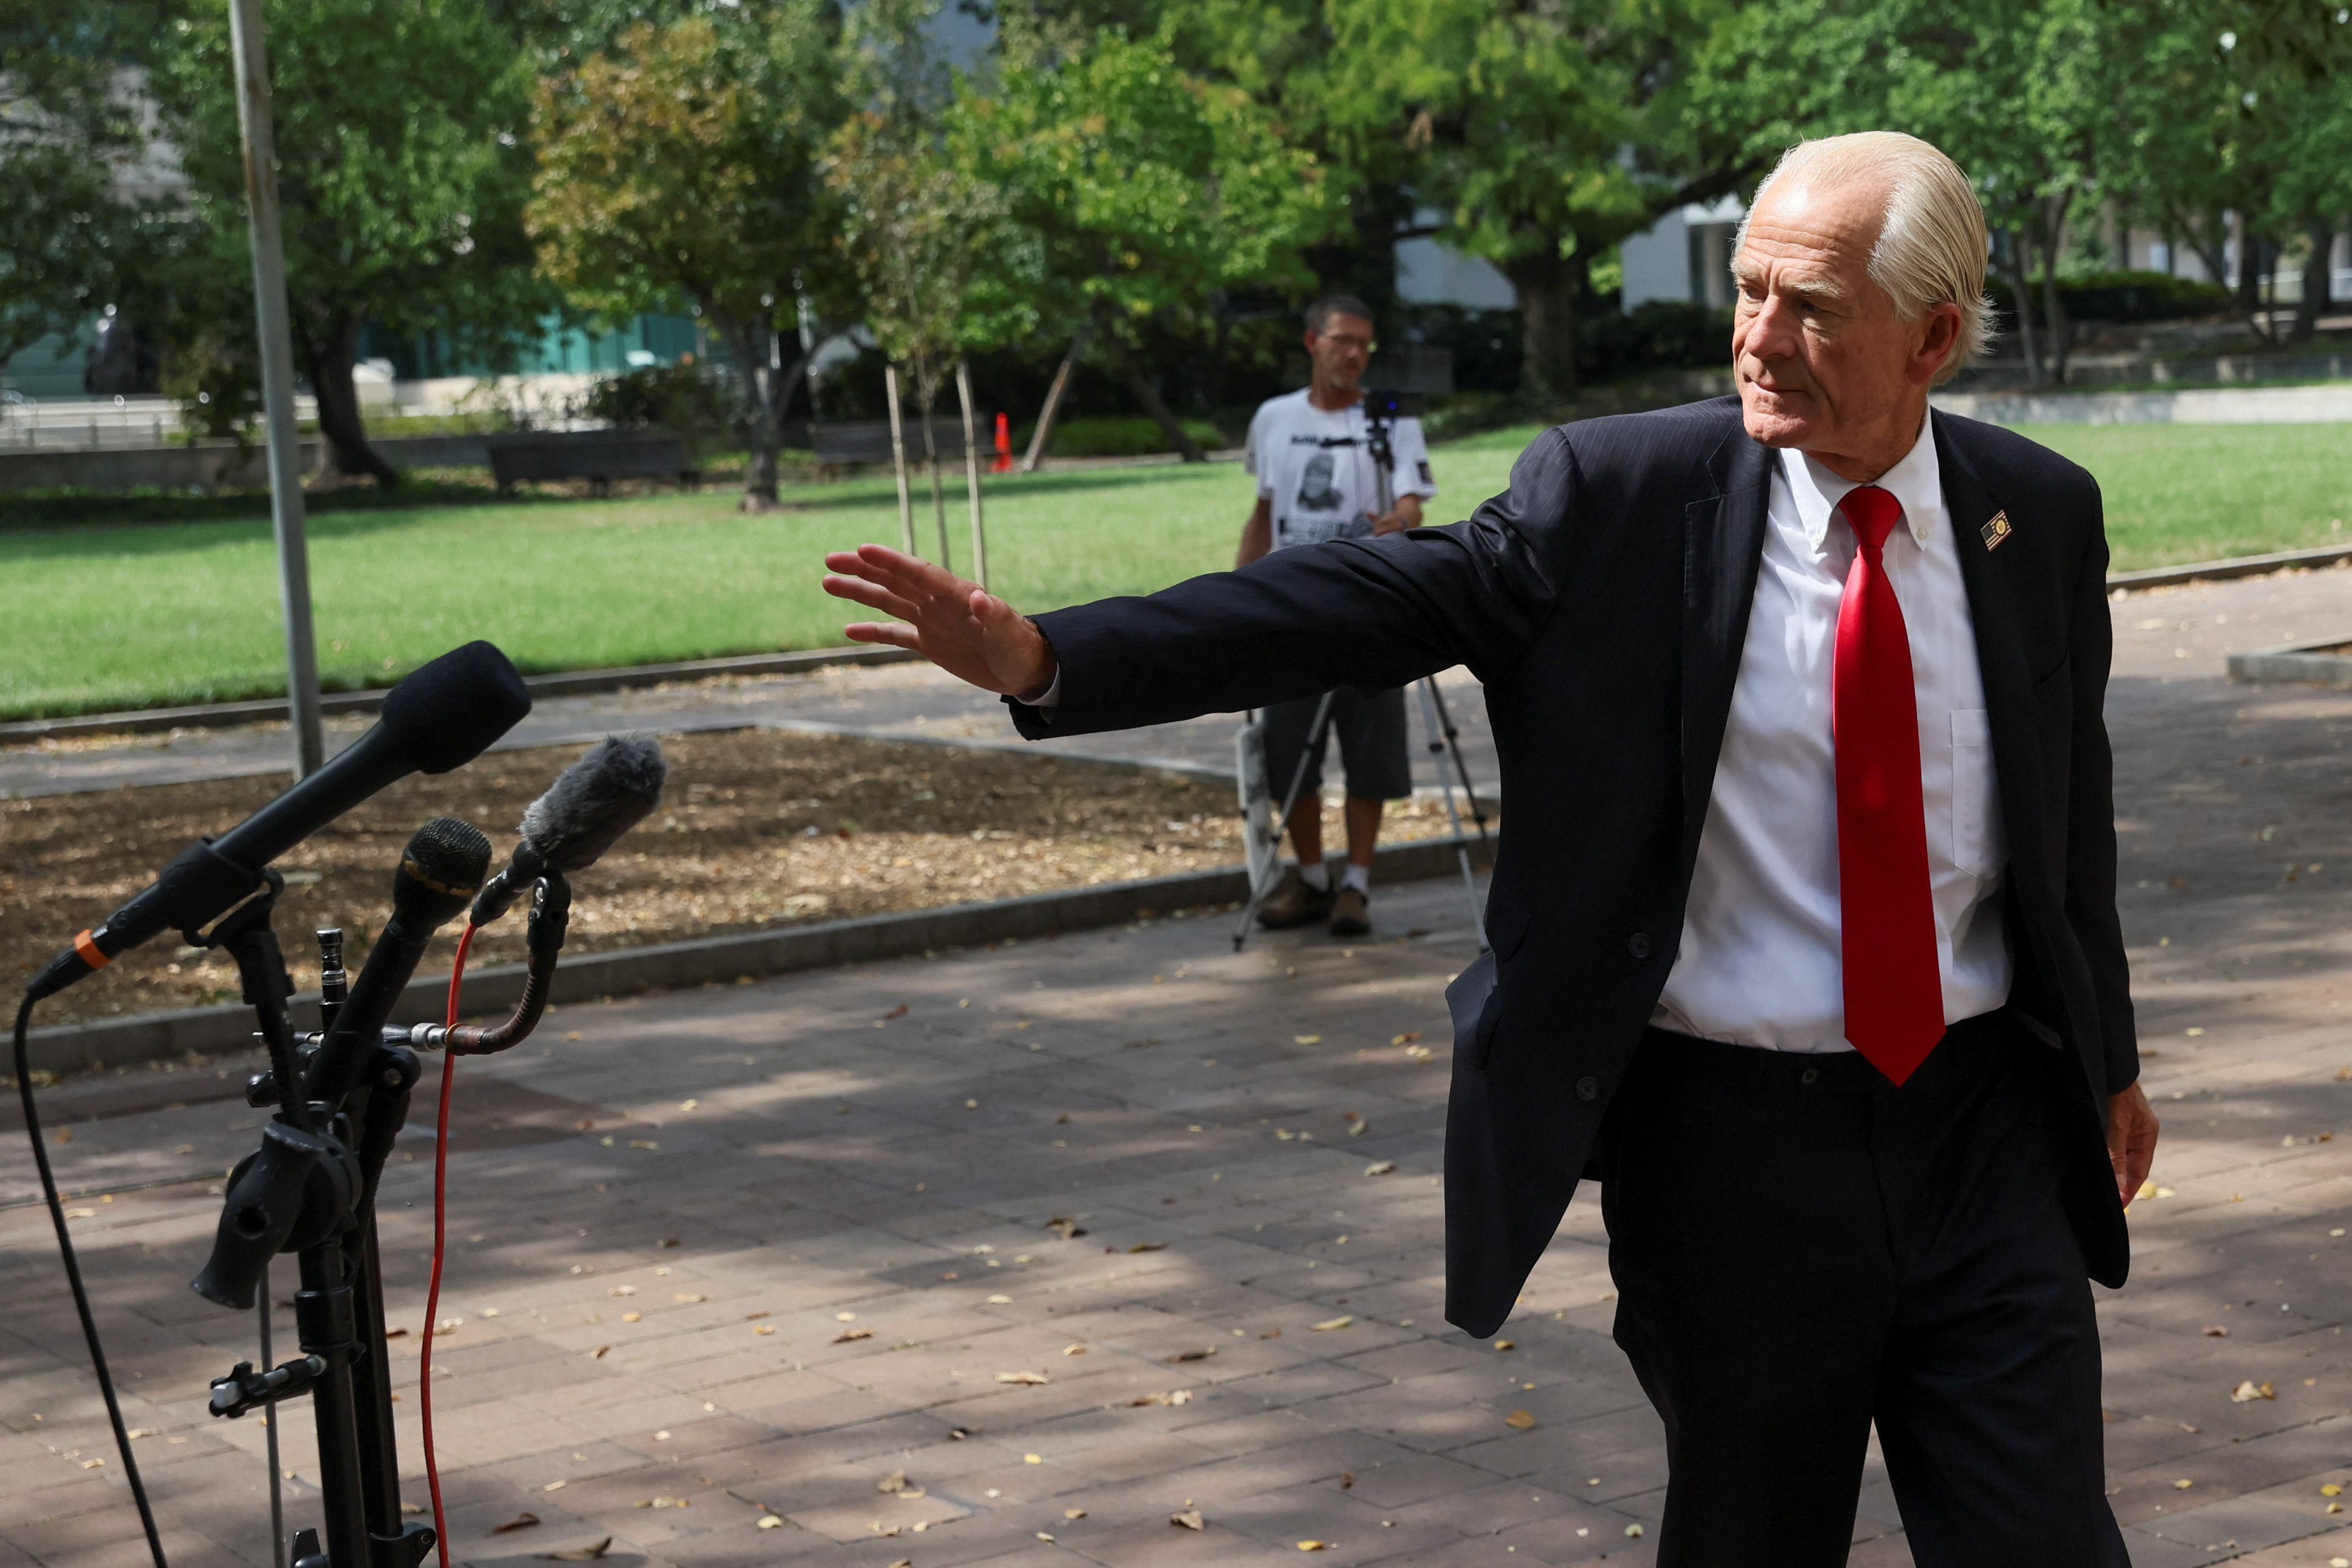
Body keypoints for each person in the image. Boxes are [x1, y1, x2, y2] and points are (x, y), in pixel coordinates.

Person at [821, 131, 2159, 1566]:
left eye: (1813, 307)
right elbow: (1367, 600)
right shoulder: (1626, 499)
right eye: (1750, 290)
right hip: (1732, 1154)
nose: (1760, 337)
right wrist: (1051, 657)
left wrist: (2111, 1058)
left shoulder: (2038, 515)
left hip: (1986, 1138)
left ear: (1936, 336)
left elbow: (2064, 816)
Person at [1238, 295, 1439, 935]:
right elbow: (1265, 510)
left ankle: (1356, 883)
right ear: (1312, 342)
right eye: (1343, 341)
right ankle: (1312, 877)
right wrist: (1235, 597)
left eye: (1364, 344)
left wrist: (1399, 522)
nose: (1354, 354)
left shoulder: (1391, 422)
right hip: (1290, 609)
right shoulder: (1274, 418)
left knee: (1370, 749)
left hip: (1368, 607)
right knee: (1287, 749)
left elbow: (1414, 505)